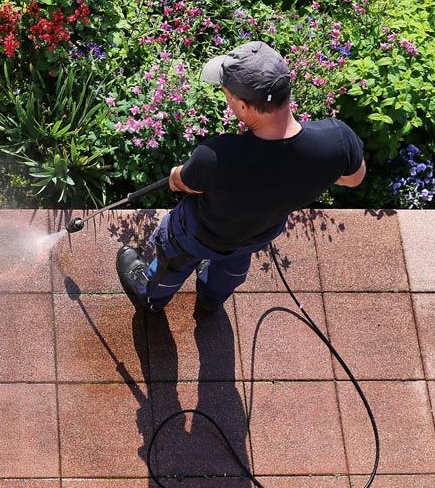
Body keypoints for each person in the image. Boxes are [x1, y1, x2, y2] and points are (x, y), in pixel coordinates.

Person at [116, 40, 366, 314]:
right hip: (257, 233)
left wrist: (176, 173)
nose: (226, 99)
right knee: (231, 268)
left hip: (199, 233)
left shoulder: (216, 156)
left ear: (244, 107)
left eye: (227, 94)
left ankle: (151, 295)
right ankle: (211, 300)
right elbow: (354, 178)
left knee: (173, 261)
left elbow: (182, 183)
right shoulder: (338, 139)